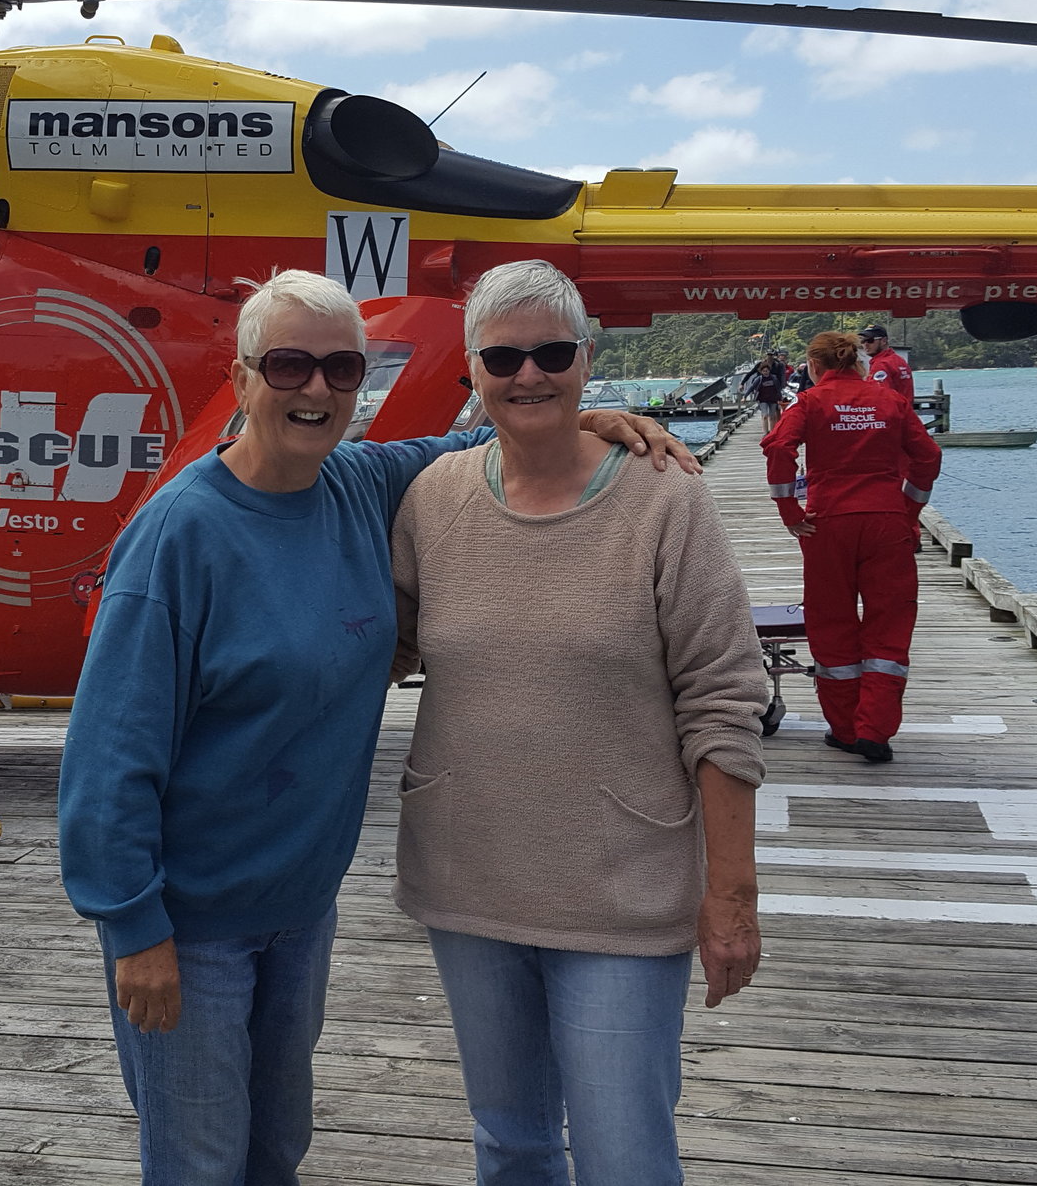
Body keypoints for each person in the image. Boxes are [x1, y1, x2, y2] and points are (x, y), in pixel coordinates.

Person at [57, 269, 692, 1186]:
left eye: (343, 369)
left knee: (274, 1150)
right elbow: (109, 754)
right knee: (197, 1164)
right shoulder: (178, 537)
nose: (316, 391)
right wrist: (131, 929)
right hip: (188, 925)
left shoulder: (355, 484)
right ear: (239, 379)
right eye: (288, 366)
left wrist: (573, 418)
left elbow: (475, 439)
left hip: (299, 913)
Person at [389, 260, 767, 1186]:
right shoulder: (430, 498)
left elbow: (724, 699)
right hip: (469, 882)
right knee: (509, 1142)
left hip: (622, 896)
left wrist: (731, 898)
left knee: (624, 1154)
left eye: (552, 353)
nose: (529, 375)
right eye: (504, 356)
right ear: (472, 370)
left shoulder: (664, 500)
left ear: (586, 358)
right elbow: (370, 647)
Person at [763, 330, 941, 762]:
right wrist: (908, 511)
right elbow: (928, 458)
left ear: (813, 367)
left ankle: (844, 728)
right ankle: (875, 731)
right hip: (886, 522)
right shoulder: (890, 400)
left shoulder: (808, 403)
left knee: (832, 622)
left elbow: (779, 448)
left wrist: (790, 511)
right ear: (859, 363)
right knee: (890, 625)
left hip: (827, 526)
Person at [856, 324, 914, 402]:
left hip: (891, 412)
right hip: (905, 410)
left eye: (870, 340)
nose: (865, 344)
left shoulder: (881, 364)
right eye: (863, 341)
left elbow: (878, 396)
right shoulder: (900, 361)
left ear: (883, 341)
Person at [751, 352, 787, 426]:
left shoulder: (779, 365)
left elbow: (782, 376)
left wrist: (782, 387)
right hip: (763, 394)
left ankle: (777, 427)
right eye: (768, 355)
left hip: (775, 391)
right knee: (765, 414)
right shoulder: (761, 365)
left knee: (775, 412)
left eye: (771, 355)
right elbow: (751, 374)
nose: (770, 357)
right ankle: (767, 431)